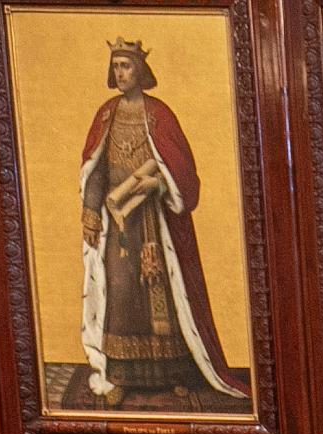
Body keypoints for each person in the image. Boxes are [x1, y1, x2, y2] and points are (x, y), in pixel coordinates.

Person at [78, 38, 244, 406]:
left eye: (127, 66)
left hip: (156, 219)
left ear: (141, 71)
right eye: (116, 66)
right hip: (120, 225)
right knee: (120, 296)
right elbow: (96, 168)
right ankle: (120, 375)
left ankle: (174, 375)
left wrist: (160, 181)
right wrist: (91, 212)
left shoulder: (160, 114)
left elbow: (182, 169)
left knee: (166, 295)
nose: (121, 73)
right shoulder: (106, 114)